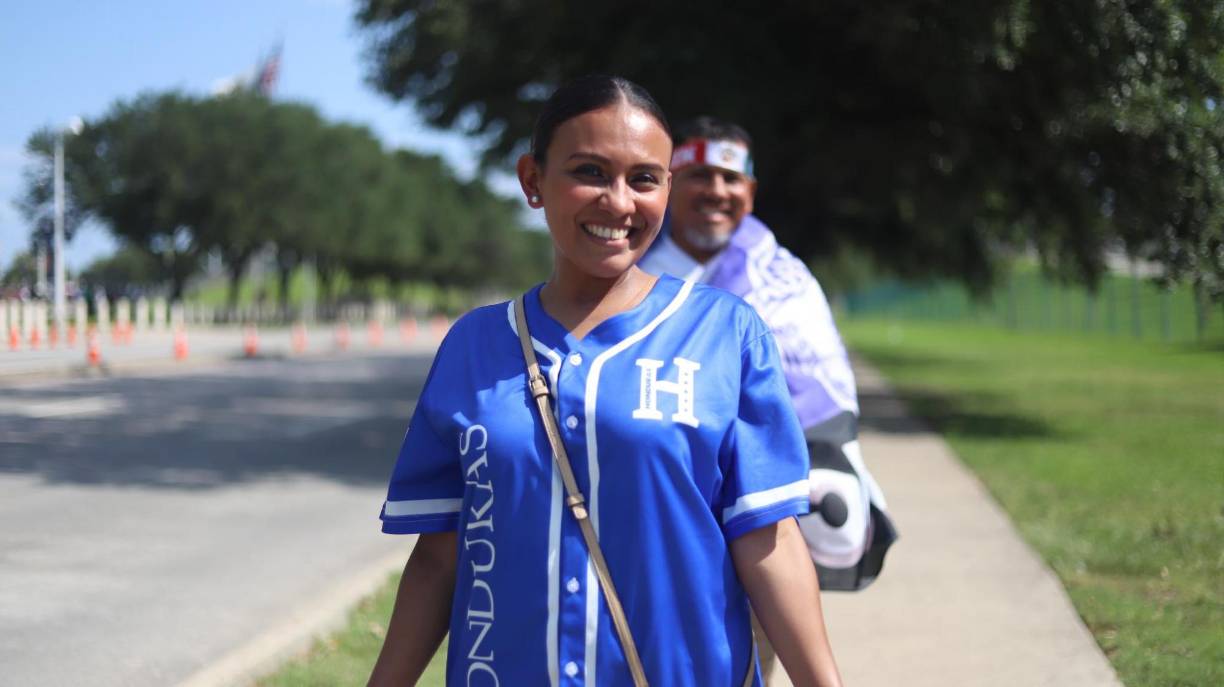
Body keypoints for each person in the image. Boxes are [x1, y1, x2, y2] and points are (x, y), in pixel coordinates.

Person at [368, 76, 842, 687]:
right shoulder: (474, 345)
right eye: (589, 171)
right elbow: (440, 556)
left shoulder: (728, 334)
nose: (618, 202)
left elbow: (767, 540)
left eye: (643, 179)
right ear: (533, 181)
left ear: (667, 189)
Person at [638, 117, 897, 674]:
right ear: (668, 183)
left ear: (750, 192)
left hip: (762, 521)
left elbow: (824, 400)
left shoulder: (784, 279)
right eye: (699, 174)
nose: (716, 190)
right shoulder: (630, 274)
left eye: (732, 179)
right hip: (651, 519)